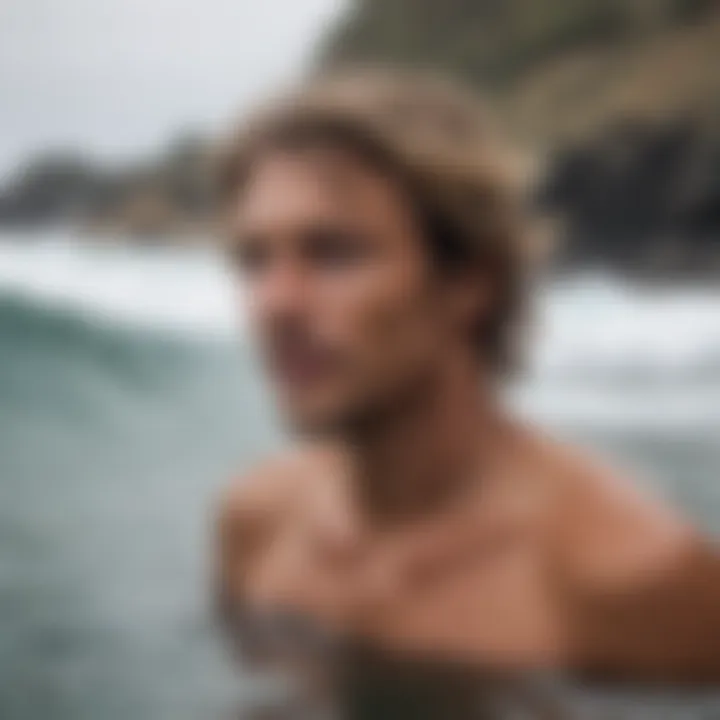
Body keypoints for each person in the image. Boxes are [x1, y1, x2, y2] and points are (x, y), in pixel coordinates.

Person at [214, 69, 720, 718]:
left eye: (333, 252)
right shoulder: (255, 525)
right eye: (254, 260)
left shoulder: (627, 577)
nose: (275, 303)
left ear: (469, 283)